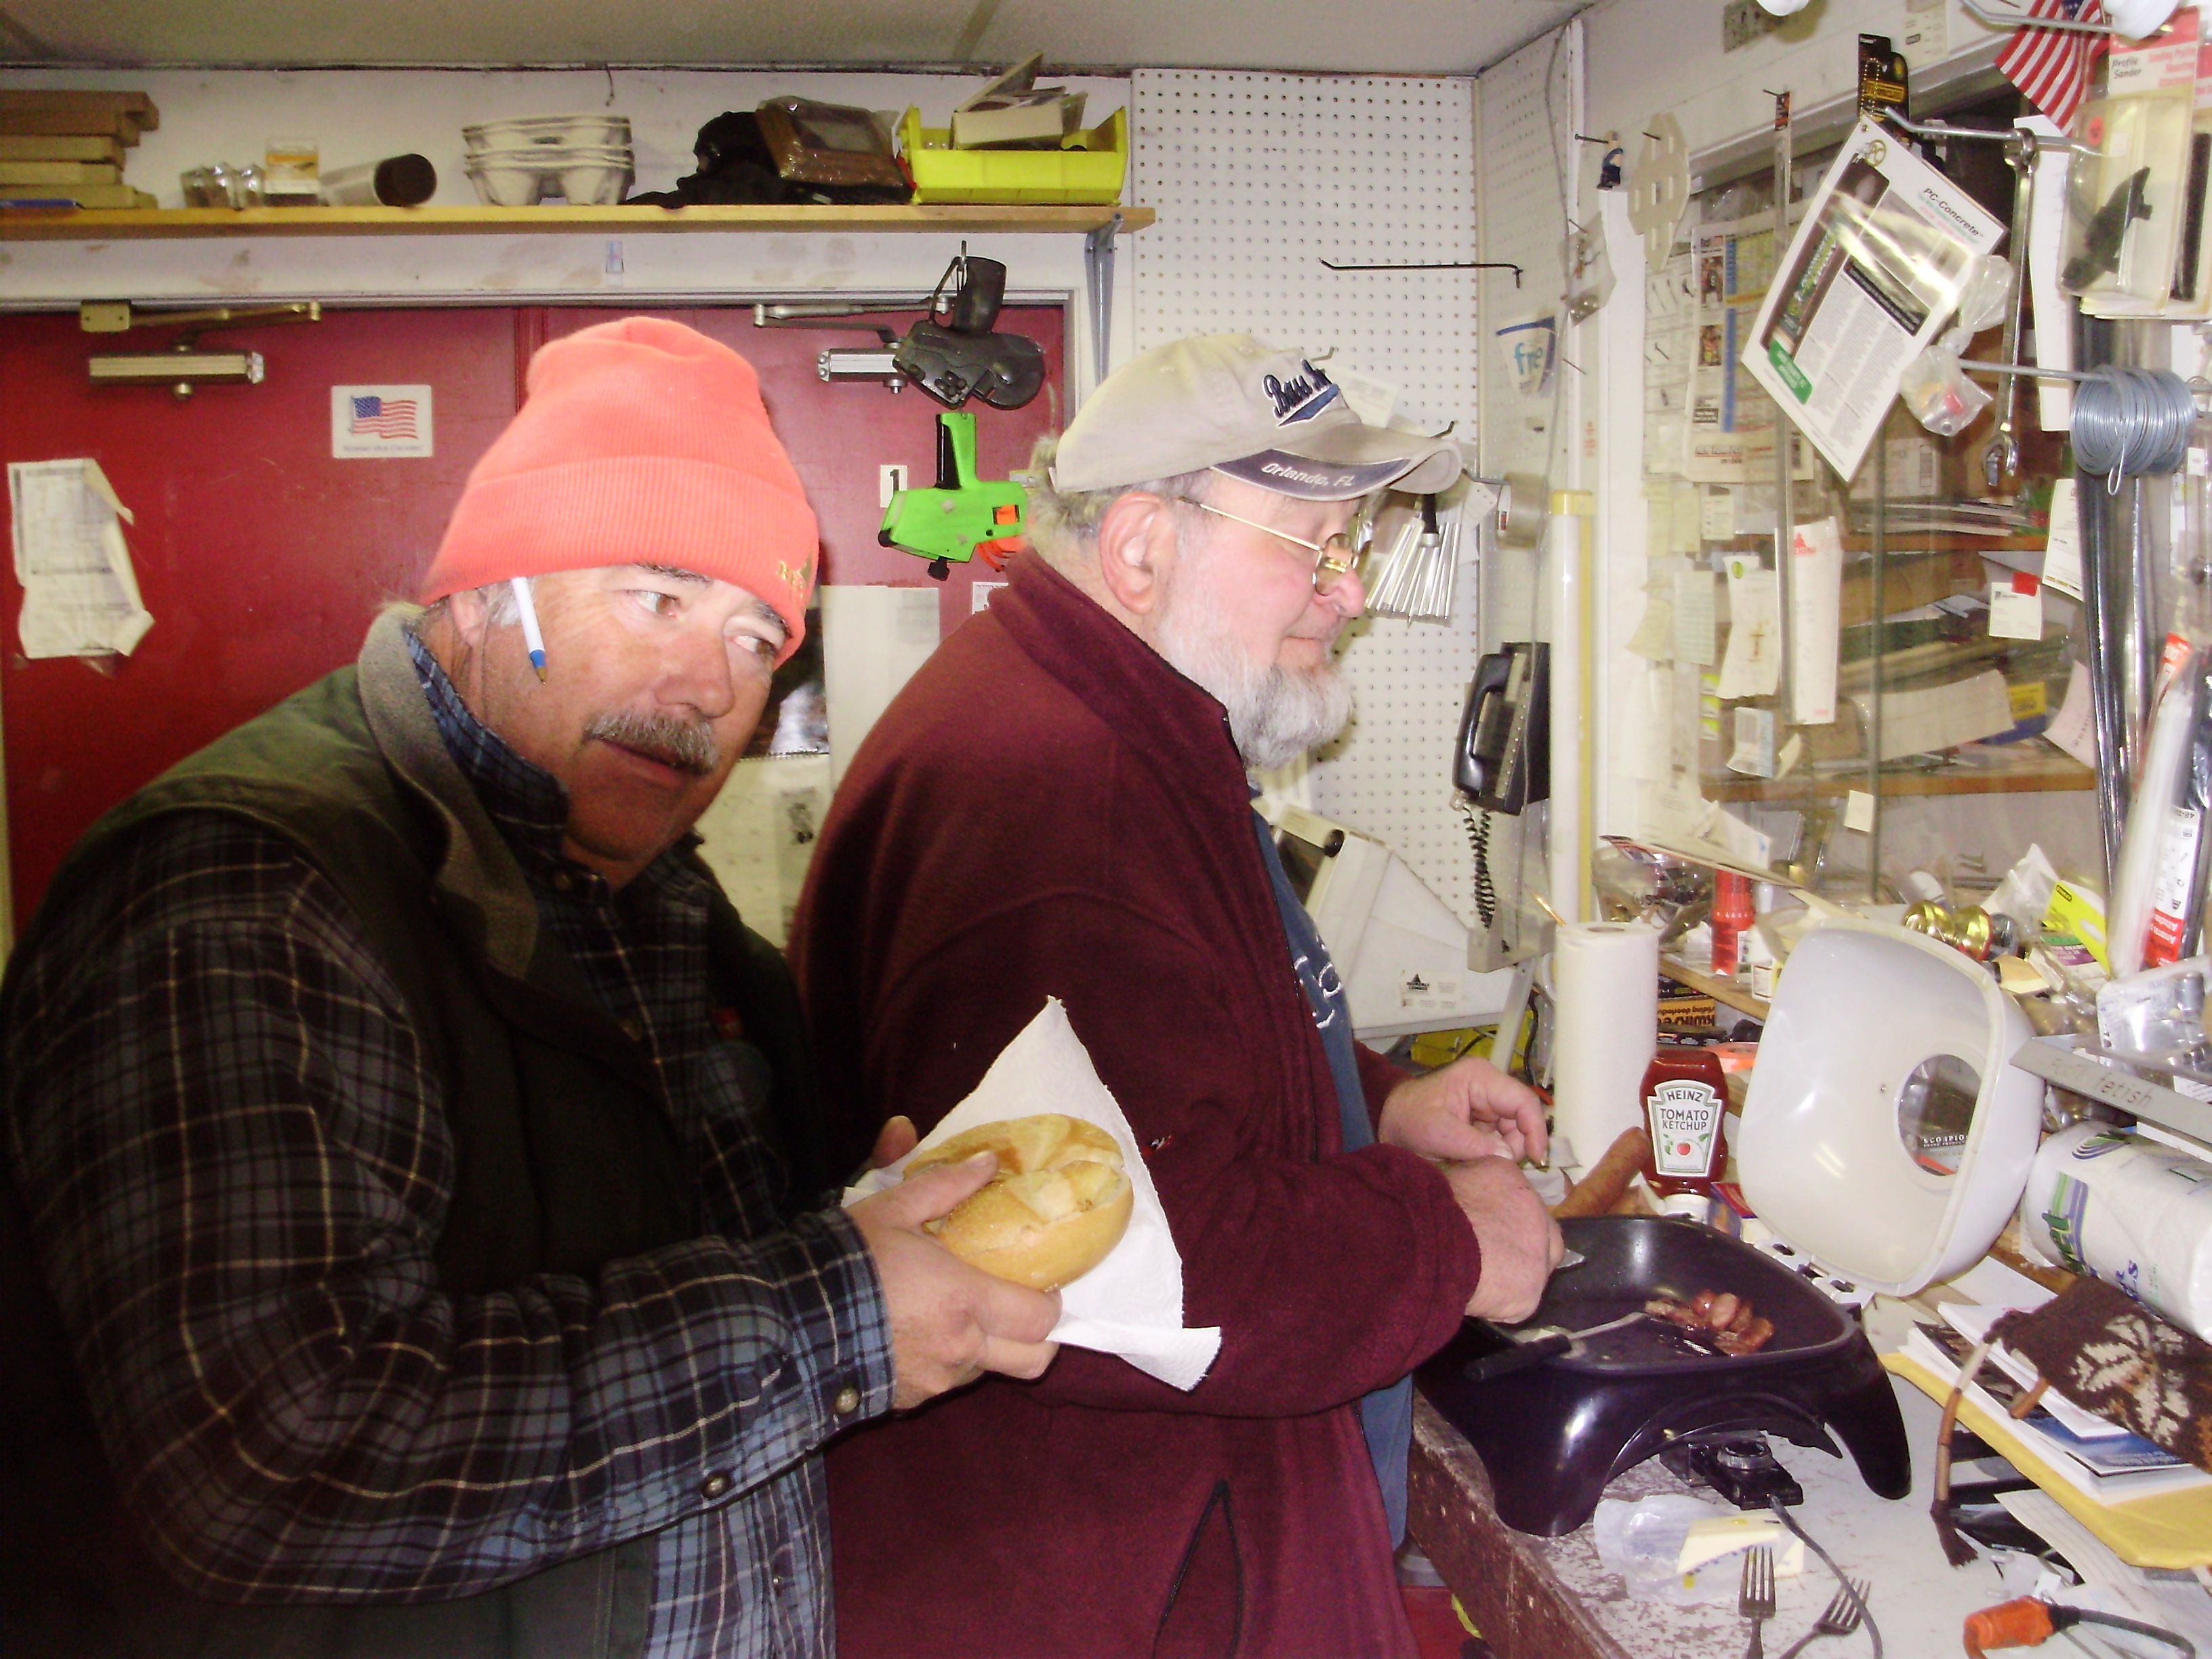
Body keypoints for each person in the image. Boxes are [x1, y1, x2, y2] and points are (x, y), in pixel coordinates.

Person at [0, 317, 1060, 1659]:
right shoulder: (246, 886)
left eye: (754, 642)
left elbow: (670, 1261)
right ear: (487, 592)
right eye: (656, 599)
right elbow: (275, 1460)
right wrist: (840, 1311)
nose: (703, 691)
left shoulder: (649, 894)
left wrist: (870, 1227)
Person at [790, 333, 1565, 1659]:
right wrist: (1448, 1238)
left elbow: (1152, 1073)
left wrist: (1379, 1107)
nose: (1349, 593)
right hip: (1097, 1584)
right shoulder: (1065, 797)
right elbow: (1149, 1251)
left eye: (1355, 545)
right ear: (1144, 546)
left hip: (1113, 1550)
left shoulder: (1114, 721)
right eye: (1312, 543)